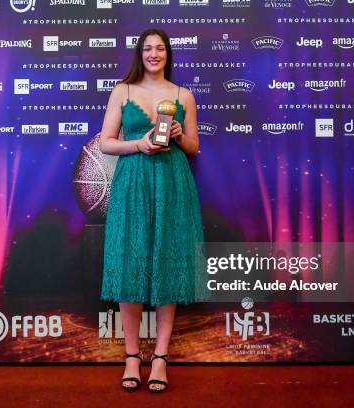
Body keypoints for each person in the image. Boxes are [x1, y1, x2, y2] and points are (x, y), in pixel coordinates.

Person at [99, 28, 207, 393]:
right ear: (139, 54)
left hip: (173, 186)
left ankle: (159, 358)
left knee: (167, 262)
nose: (154, 54)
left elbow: (193, 147)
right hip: (132, 184)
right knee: (130, 262)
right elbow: (105, 143)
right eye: (147, 48)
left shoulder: (183, 95)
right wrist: (139, 144)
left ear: (168, 54)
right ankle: (132, 356)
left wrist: (177, 134)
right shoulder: (123, 91)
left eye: (160, 48)